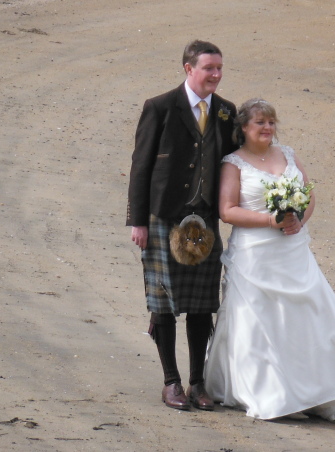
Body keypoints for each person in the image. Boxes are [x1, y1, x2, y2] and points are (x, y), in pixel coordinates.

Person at [204, 98, 335, 424]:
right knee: (260, 320)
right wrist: (269, 221)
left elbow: (308, 194)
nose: (267, 128)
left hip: (293, 252)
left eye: (271, 122)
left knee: (306, 317)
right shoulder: (233, 163)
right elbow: (227, 210)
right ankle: (270, 390)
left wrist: (297, 221)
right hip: (255, 254)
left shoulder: (287, 154)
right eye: (260, 122)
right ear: (244, 128)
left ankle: (314, 390)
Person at [126, 40, 238, 411]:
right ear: (188, 69)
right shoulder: (159, 107)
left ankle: (197, 383)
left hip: (204, 222)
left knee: (202, 304)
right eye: (209, 68)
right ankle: (171, 382)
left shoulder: (225, 111)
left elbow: (233, 163)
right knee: (164, 302)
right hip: (164, 217)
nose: (216, 75)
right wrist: (138, 221)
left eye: (220, 68)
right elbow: (141, 166)